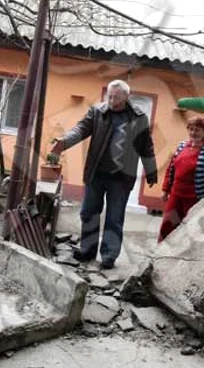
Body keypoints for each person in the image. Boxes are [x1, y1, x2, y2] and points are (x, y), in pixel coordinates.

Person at [50, 80, 157, 269]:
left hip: (121, 179)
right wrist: (64, 143)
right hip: (97, 174)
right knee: (89, 213)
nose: (112, 99)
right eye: (110, 95)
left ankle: (109, 256)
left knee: (114, 218)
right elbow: (80, 129)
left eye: (116, 96)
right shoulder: (97, 112)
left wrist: (151, 171)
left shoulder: (139, 118)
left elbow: (146, 146)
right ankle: (87, 250)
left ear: (126, 97)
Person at [158, 116, 204, 243]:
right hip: (176, 196)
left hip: (196, 199)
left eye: (197, 130)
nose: (193, 133)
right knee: (167, 226)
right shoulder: (182, 146)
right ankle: (160, 254)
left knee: (190, 229)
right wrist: (166, 189)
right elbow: (171, 168)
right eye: (191, 129)